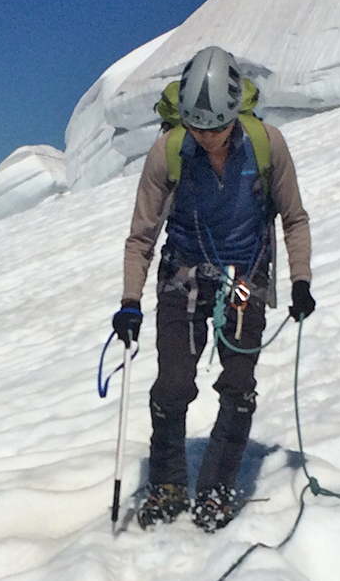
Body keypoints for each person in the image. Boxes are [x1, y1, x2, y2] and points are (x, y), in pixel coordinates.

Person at [111, 45, 314, 532]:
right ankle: (168, 484)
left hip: (244, 281)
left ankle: (217, 489)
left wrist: (301, 280)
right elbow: (141, 236)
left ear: (234, 116)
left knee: (238, 384)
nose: (205, 138)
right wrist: (130, 302)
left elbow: (294, 219)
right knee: (174, 383)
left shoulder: (268, 146)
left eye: (215, 128)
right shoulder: (168, 152)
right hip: (183, 277)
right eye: (197, 128)